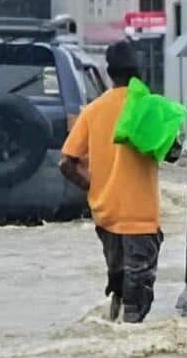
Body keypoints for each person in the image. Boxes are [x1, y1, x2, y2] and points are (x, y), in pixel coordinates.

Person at [60, 41, 165, 322]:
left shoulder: (93, 111)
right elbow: (173, 151)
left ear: (109, 72)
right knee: (138, 299)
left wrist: (93, 186)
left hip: (106, 216)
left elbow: (67, 162)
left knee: (119, 284)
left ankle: (113, 322)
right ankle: (128, 355)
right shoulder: (148, 108)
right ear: (138, 70)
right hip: (141, 219)